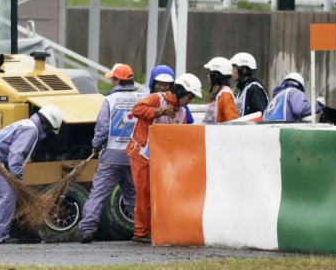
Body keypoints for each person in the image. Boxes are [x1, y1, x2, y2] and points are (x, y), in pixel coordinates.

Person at [126, 73, 202, 244]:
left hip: (159, 158)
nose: (190, 101)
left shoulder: (182, 113)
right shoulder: (157, 98)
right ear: (181, 92)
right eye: (189, 97)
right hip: (141, 154)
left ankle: (154, 229)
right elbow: (136, 110)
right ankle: (141, 232)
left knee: (158, 194)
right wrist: (160, 111)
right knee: (144, 193)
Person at [79, 64, 142, 243]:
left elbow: (102, 128)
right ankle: (144, 229)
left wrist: (96, 146)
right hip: (133, 156)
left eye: (112, 79)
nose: (111, 83)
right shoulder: (141, 98)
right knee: (133, 195)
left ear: (117, 80)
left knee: (98, 194)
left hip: (111, 157)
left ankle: (88, 229)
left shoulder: (109, 100)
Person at [0, 106, 62, 244]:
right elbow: (16, 154)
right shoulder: (31, 130)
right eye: (49, 130)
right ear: (46, 125)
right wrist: (17, 178)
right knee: (8, 195)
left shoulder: (26, 123)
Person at [229, 53, 269, 117]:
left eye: (234, 68)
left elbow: (261, 115)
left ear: (244, 70)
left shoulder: (255, 88)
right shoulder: (243, 89)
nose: (232, 72)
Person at [202, 57, 239, 124]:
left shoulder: (225, 95)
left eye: (210, 73)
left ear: (216, 75)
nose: (208, 75)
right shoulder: (218, 93)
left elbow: (234, 122)